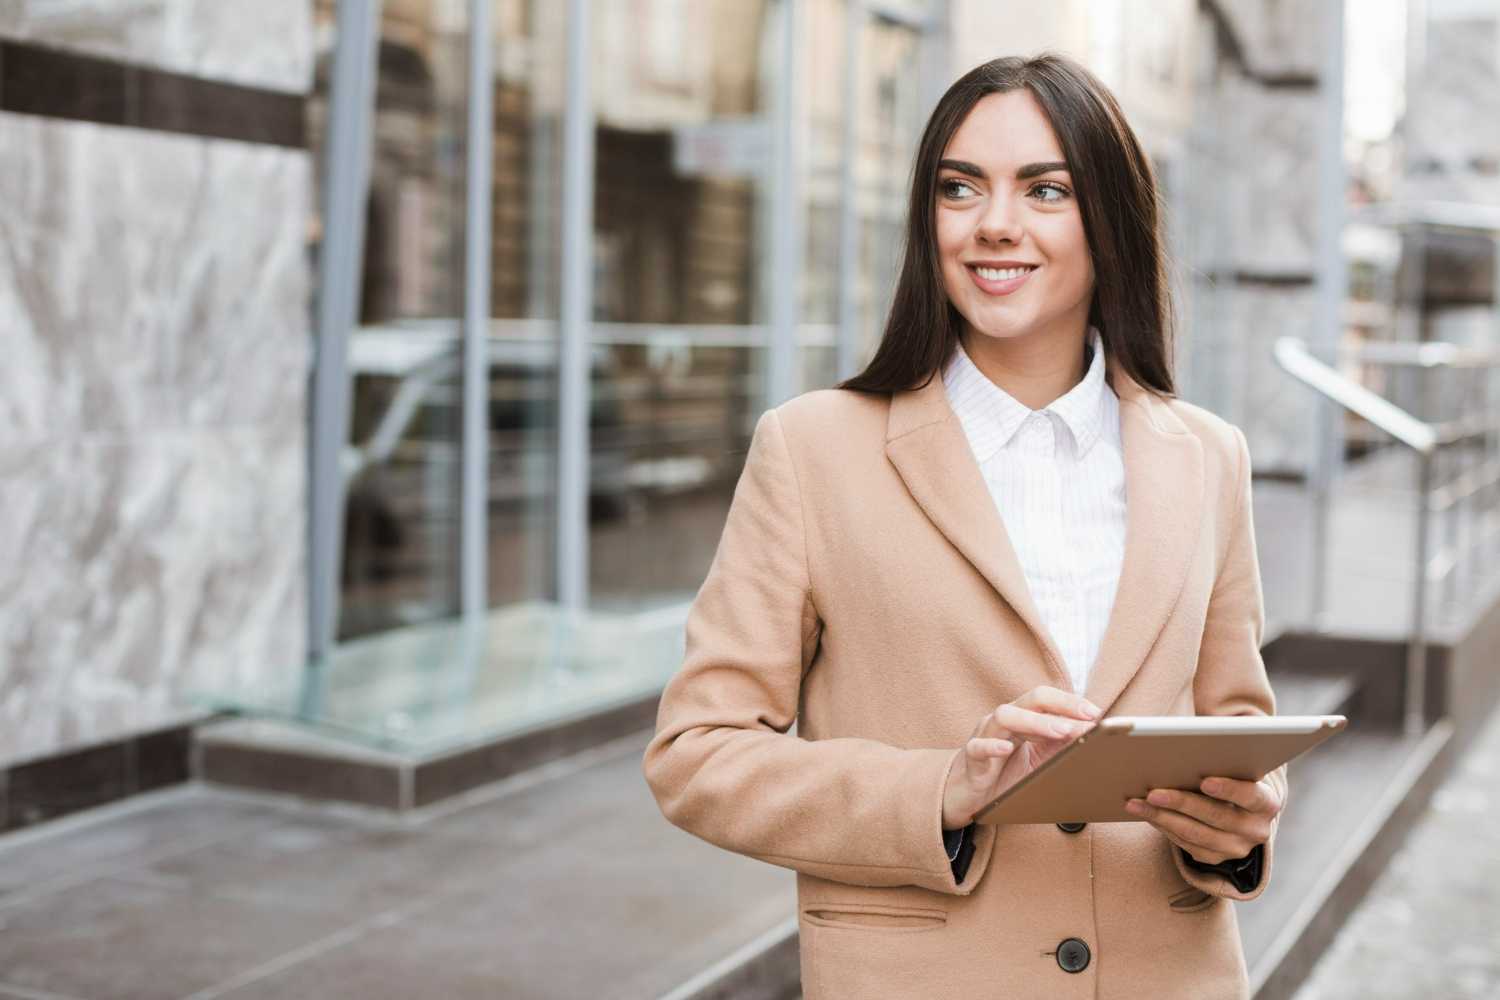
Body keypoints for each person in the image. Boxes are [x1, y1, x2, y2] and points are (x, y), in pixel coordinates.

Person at [644, 53, 1283, 999]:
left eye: (1045, 189)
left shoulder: (1208, 455)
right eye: (959, 187)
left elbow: (1238, 724)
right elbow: (695, 755)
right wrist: (939, 790)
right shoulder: (815, 450)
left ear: (1109, 215)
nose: (994, 224)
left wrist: (1239, 830)